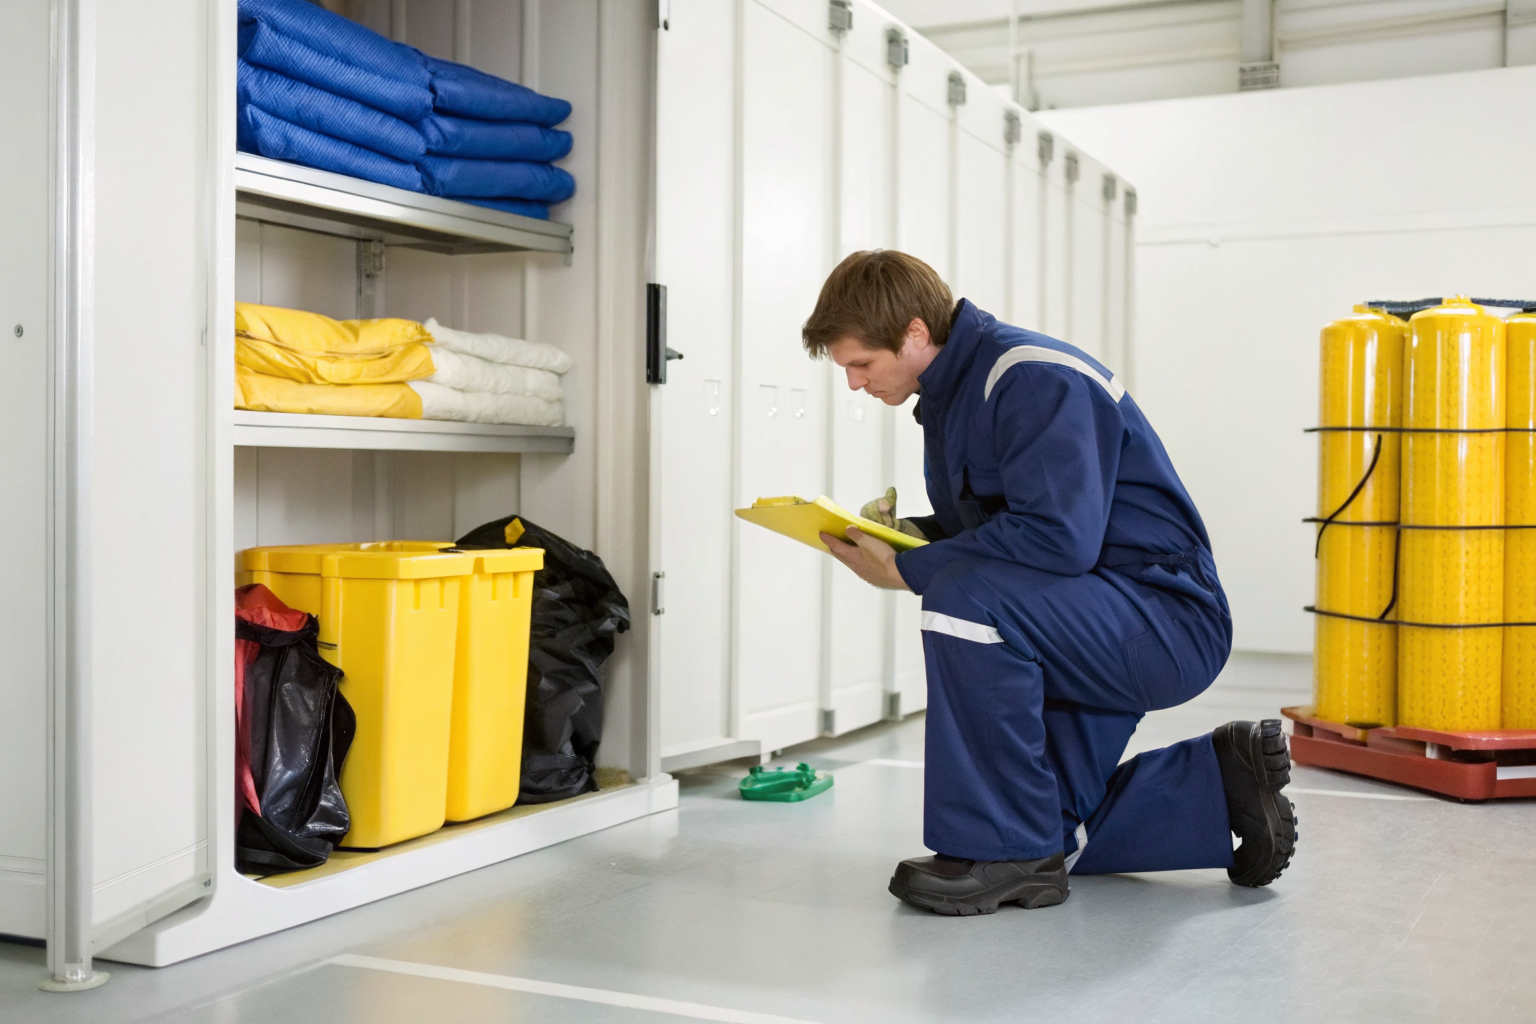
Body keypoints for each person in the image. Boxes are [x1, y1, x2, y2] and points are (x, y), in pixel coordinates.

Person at [802, 249, 1296, 917]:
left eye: (861, 364)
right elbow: (1002, 524)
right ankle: (1220, 782)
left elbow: (1059, 539)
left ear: (914, 333)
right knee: (1050, 829)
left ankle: (999, 854)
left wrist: (910, 569)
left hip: (1161, 619)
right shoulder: (952, 397)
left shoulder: (1029, 378)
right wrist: (908, 537)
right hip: (1084, 615)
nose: (855, 383)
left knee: (962, 598)